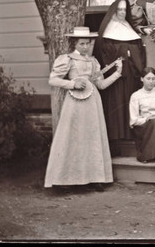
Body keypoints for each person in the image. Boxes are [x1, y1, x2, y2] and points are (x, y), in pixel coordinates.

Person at [44, 26, 123, 191]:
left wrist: (117, 73)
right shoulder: (67, 59)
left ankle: (94, 178)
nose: (85, 46)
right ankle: (66, 180)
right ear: (75, 43)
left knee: (92, 137)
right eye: (82, 43)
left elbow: (100, 84)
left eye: (87, 43)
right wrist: (72, 83)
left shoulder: (93, 61)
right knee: (73, 137)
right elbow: (53, 79)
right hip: (75, 103)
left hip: (93, 102)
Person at [94, 0, 146, 154]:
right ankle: (117, 139)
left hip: (131, 74)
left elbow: (139, 51)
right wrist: (125, 52)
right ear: (114, 11)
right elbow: (105, 53)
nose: (122, 13)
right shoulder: (108, 31)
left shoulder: (129, 28)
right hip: (116, 77)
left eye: (125, 10)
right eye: (119, 10)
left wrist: (130, 53)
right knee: (117, 104)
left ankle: (130, 135)